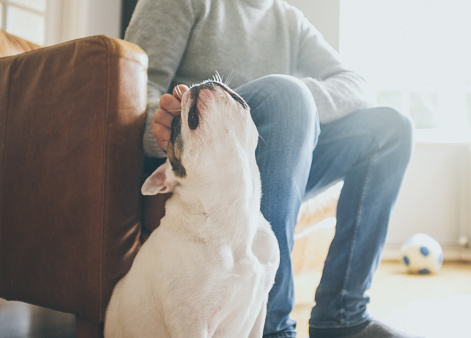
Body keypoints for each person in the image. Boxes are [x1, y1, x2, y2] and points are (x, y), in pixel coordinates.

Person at [125, 0, 415, 337]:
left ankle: (342, 318)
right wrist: (164, 131)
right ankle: (271, 327)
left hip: (277, 160)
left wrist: (296, 106)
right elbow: (134, 91)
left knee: (391, 129)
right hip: (201, 161)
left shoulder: (288, 19)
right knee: (287, 95)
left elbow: (357, 86)